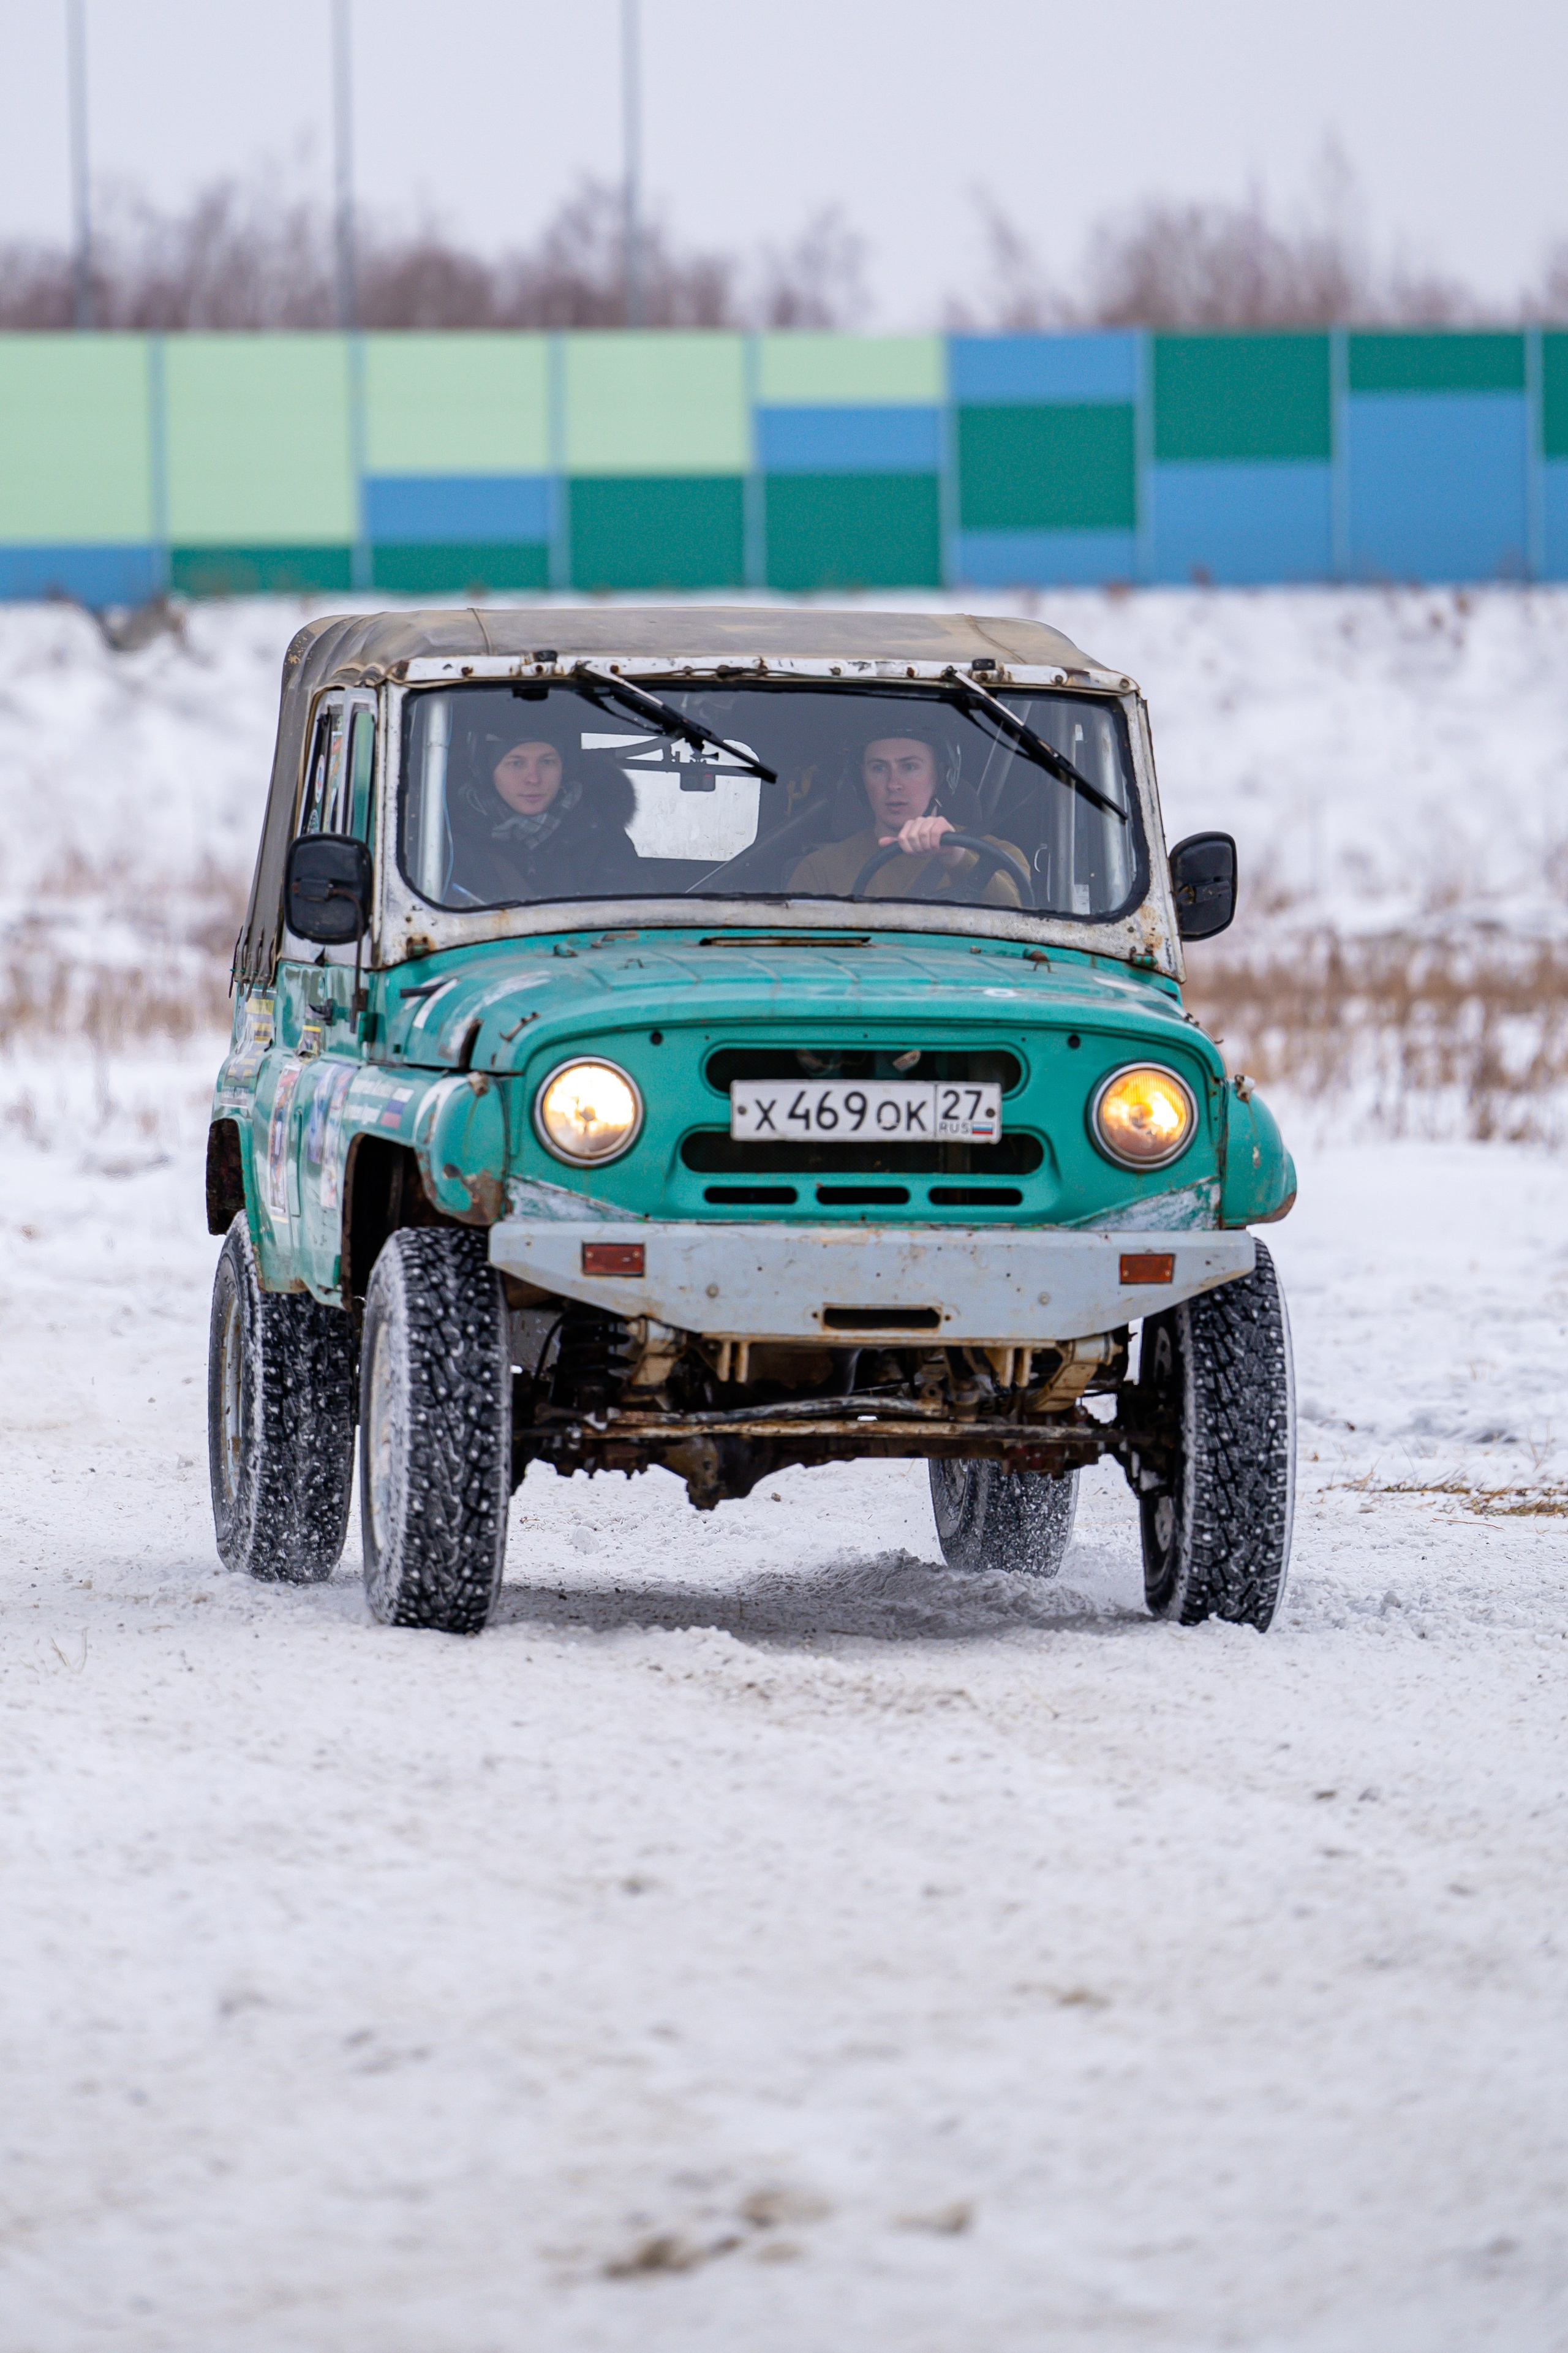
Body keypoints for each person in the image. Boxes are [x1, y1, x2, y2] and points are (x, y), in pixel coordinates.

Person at [788, 728, 1027, 907]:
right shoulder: (820, 870)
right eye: (879, 768)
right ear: (862, 780)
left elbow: (1020, 924)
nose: (893, 784)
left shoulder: (999, 857)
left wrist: (956, 856)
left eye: (910, 767)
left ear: (940, 776)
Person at [447, 721, 641, 904]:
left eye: (547, 762)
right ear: (487, 772)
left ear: (564, 769)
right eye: (516, 763)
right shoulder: (448, 842)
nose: (533, 778)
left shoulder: (603, 840)